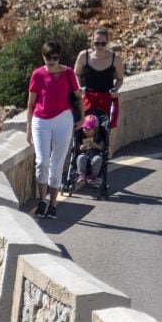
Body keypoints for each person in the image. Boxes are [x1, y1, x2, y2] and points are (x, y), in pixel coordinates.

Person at [26, 40, 80, 219]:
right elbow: (31, 103)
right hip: (40, 120)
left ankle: (53, 204)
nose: (52, 61)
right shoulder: (38, 75)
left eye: (55, 58)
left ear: (59, 57)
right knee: (42, 162)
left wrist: (81, 117)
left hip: (63, 119)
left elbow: (79, 96)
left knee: (56, 165)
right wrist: (28, 128)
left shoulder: (68, 73)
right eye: (49, 58)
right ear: (43, 57)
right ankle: (42, 200)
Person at [74, 27, 124, 136]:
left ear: (107, 42)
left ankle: (105, 152)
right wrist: (79, 87)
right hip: (88, 98)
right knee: (85, 130)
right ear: (92, 42)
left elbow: (120, 79)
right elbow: (76, 73)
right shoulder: (84, 56)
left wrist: (115, 89)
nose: (100, 46)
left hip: (107, 98)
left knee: (105, 132)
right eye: (97, 43)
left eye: (103, 43)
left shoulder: (115, 59)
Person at [76, 114, 107, 189]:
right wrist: (82, 147)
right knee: (80, 157)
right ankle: (82, 175)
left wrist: (96, 145)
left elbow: (102, 147)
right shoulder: (82, 135)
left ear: (95, 129)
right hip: (85, 154)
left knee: (98, 159)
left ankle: (93, 176)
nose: (85, 130)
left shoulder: (99, 137)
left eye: (88, 129)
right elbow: (78, 148)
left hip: (96, 154)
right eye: (84, 128)